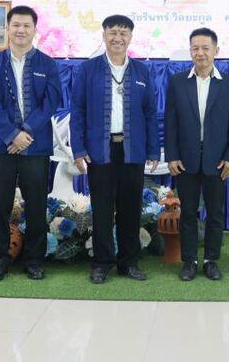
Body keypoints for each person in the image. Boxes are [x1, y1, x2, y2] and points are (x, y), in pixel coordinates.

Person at [70, 15, 160, 284]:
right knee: (102, 210)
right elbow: (78, 111)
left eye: (123, 33)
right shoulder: (88, 70)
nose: (118, 38)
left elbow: (150, 113)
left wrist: (153, 150)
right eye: (113, 32)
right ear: (104, 35)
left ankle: (129, 263)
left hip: (133, 150)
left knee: (131, 209)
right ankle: (102, 263)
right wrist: (78, 149)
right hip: (100, 150)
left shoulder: (142, 71)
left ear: (130, 37)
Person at [0, 5, 62, 282]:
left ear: (35, 30)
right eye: (16, 25)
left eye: (26, 25)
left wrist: (25, 133)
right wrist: (11, 135)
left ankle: (34, 260)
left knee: (36, 204)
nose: (21, 30)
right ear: (7, 28)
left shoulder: (47, 64)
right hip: (1, 146)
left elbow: (51, 102)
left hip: (35, 147)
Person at [165, 28, 229, 281]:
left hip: (218, 161)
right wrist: (172, 156)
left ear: (216, 51)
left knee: (215, 213)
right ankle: (189, 261)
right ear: (190, 51)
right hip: (185, 160)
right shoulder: (177, 82)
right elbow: (170, 122)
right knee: (188, 212)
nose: (200, 53)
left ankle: (211, 260)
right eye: (195, 48)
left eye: (205, 48)